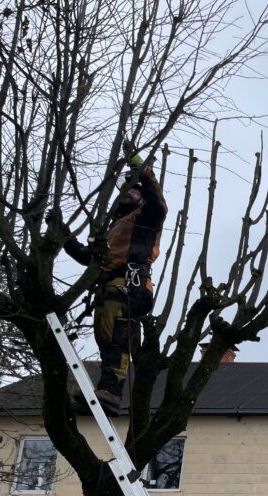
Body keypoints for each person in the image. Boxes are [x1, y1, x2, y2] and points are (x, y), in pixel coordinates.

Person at [64, 153, 168, 415]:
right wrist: (63, 237)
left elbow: (159, 204)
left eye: (133, 191)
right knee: (106, 339)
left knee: (116, 339)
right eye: (125, 191)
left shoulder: (146, 217)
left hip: (129, 284)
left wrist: (142, 169)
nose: (127, 194)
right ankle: (105, 389)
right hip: (110, 287)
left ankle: (110, 393)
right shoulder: (114, 227)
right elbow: (89, 258)